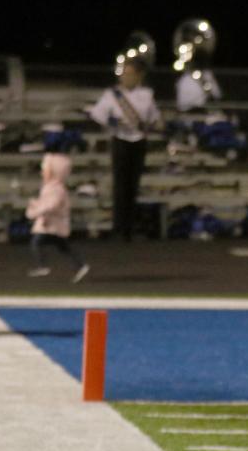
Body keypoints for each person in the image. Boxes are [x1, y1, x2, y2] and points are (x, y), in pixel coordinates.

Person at [89, 57, 161, 240]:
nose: (124, 78)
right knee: (120, 185)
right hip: (120, 139)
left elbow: (155, 119)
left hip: (139, 141)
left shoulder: (146, 95)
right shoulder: (112, 94)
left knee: (133, 184)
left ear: (138, 76)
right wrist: (113, 121)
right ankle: (118, 227)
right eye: (124, 73)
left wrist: (156, 126)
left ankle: (129, 227)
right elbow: (97, 115)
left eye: (129, 74)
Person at [25, 153, 89, 283]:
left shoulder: (56, 189)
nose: (43, 172)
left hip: (51, 223)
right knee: (62, 246)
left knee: (37, 242)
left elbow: (51, 205)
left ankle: (42, 266)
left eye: (45, 170)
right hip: (51, 223)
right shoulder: (50, 187)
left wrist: (36, 211)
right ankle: (80, 265)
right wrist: (36, 205)